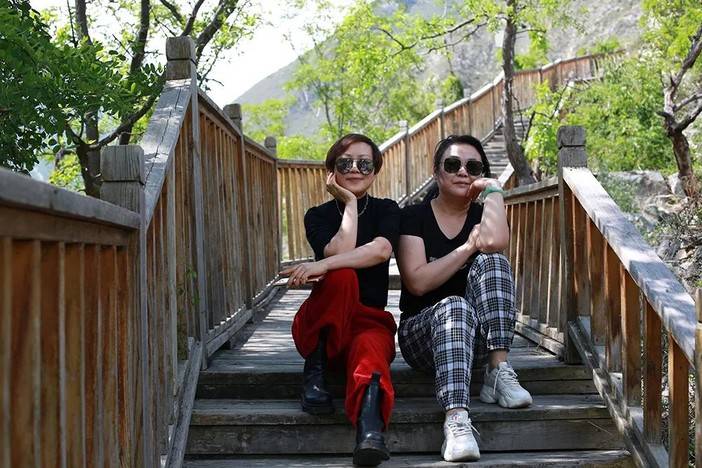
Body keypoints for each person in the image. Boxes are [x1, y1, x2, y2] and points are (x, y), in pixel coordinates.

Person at [396, 134, 532, 463]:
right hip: (421, 337)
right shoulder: (414, 216)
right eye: (453, 164)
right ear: (436, 172)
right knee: (455, 305)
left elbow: (495, 243)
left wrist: (494, 191)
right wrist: (468, 247)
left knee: (494, 262)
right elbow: (417, 282)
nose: (462, 172)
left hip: (475, 343)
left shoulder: (483, 214)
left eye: (473, 167)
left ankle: (497, 370)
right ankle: (456, 420)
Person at [280, 133, 400, 467]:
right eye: (345, 163)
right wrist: (348, 203)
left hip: (367, 322)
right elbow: (341, 251)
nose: (355, 169)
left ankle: (370, 432)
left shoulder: (387, 209)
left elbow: (381, 250)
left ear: (375, 171)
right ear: (332, 170)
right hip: (322, 324)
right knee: (343, 275)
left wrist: (321, 265)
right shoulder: (317, 215)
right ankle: (314, 373)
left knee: (371, 348)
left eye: (365, 164)